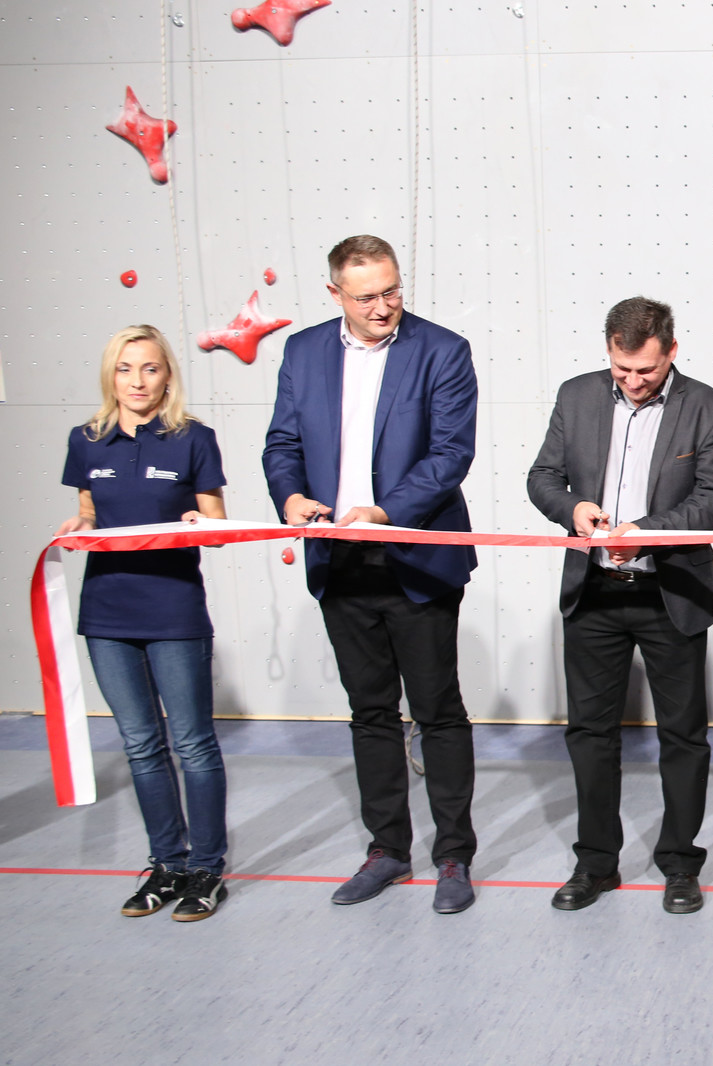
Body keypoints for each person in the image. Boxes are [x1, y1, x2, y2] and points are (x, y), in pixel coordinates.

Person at [263, 235, 480, 914]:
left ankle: (454, 856)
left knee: (438, 711)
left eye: (392, 291)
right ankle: (387, 850)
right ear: (335, 295)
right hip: (339, 559)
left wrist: (386, 512)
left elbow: (450, 455)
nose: (383, 307)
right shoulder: (302, 352)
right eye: (366, 297)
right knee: (370, 712)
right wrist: (291, 497)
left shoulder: (443, 350)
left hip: (416, 556)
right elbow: (282, 444)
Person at [527, 297, 713, 915]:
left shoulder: (709, 407)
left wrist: (646, 531)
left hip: (670, 594)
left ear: (671, 352)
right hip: (592, 592)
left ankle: (680, 863)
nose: (633, 381)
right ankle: (596, 863)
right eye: (621, 369)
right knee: (590, 733)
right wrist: (572, 509)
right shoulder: (576, 396)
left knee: (683, 736)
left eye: (645, 370)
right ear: (609, 352)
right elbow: (543, 477)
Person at [57, 325, 230, 921]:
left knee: (193, 744)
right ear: (111, 375)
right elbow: (88, 513)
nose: (137, 381)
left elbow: (218, 525)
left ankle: (206, 869)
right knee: (139, 744)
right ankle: (167, 864)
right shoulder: (86, 439)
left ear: (167, 375)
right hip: (106, 613)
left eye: (150, 368)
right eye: (125, 368)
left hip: (174, 610)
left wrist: (201, 525)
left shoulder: (194, 438)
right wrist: (78, 528)